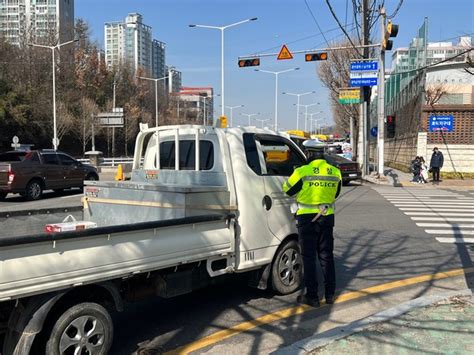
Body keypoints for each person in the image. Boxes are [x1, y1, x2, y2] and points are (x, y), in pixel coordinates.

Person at [282, 140, 342, 307]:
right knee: (326, 256)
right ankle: (330, 295)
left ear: (308, 153)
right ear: (322, 153)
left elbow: (287, 189)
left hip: (307, 218)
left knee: (309, 257)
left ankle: (313, 297)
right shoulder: (335, 172)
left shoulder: (302, 171)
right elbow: (336, 193)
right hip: (327, 217)